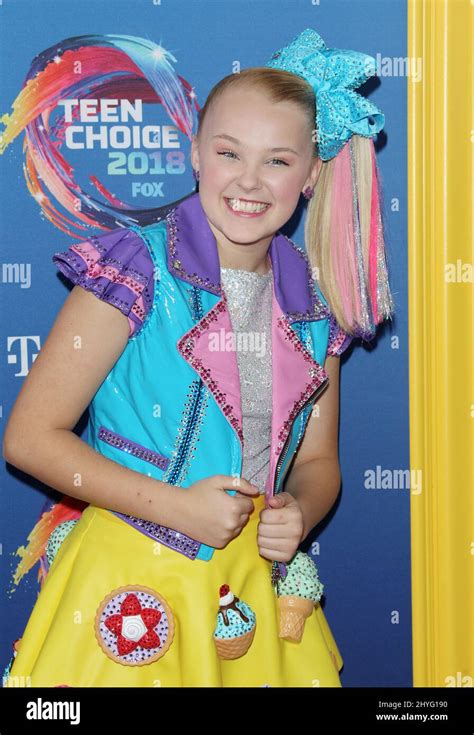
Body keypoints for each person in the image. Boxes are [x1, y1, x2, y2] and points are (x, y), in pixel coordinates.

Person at [2, 28, 394, 687]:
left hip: (249, 590)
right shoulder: (134, 271)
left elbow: (320, 461)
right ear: (195, 156)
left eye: (277, 160)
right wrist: (175, 506)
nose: (249, 179)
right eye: (229, 152)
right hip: (136, 575)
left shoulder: (316, 307)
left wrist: (297, 508)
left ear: (310, 174)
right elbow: (29, 438)